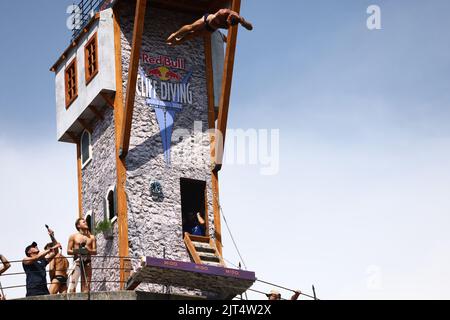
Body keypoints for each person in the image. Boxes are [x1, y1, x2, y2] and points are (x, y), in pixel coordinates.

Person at [166, 8, 253, 46]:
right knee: (191, 28)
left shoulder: (240, 19)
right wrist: (223, 24)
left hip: (211, 29)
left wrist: (245, 24)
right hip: (207, 20)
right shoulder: (223, 12)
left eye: (229, 24)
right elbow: (217, 20)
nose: (227, 24)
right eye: (227, 22)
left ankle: (178, 42)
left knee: (193, 35)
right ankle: (175, 34)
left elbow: (251, 28)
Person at [67, 218, 97, 293]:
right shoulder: (73, 236)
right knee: (72, 284)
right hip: (77, 262)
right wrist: (79, 251)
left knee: (87, 286)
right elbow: (68, 251)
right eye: (83, 222)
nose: (86, 223)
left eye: (86, 222)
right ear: (78, 225)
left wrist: (88, 250)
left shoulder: (92, 237)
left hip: (87, 262)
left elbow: (95, 251)